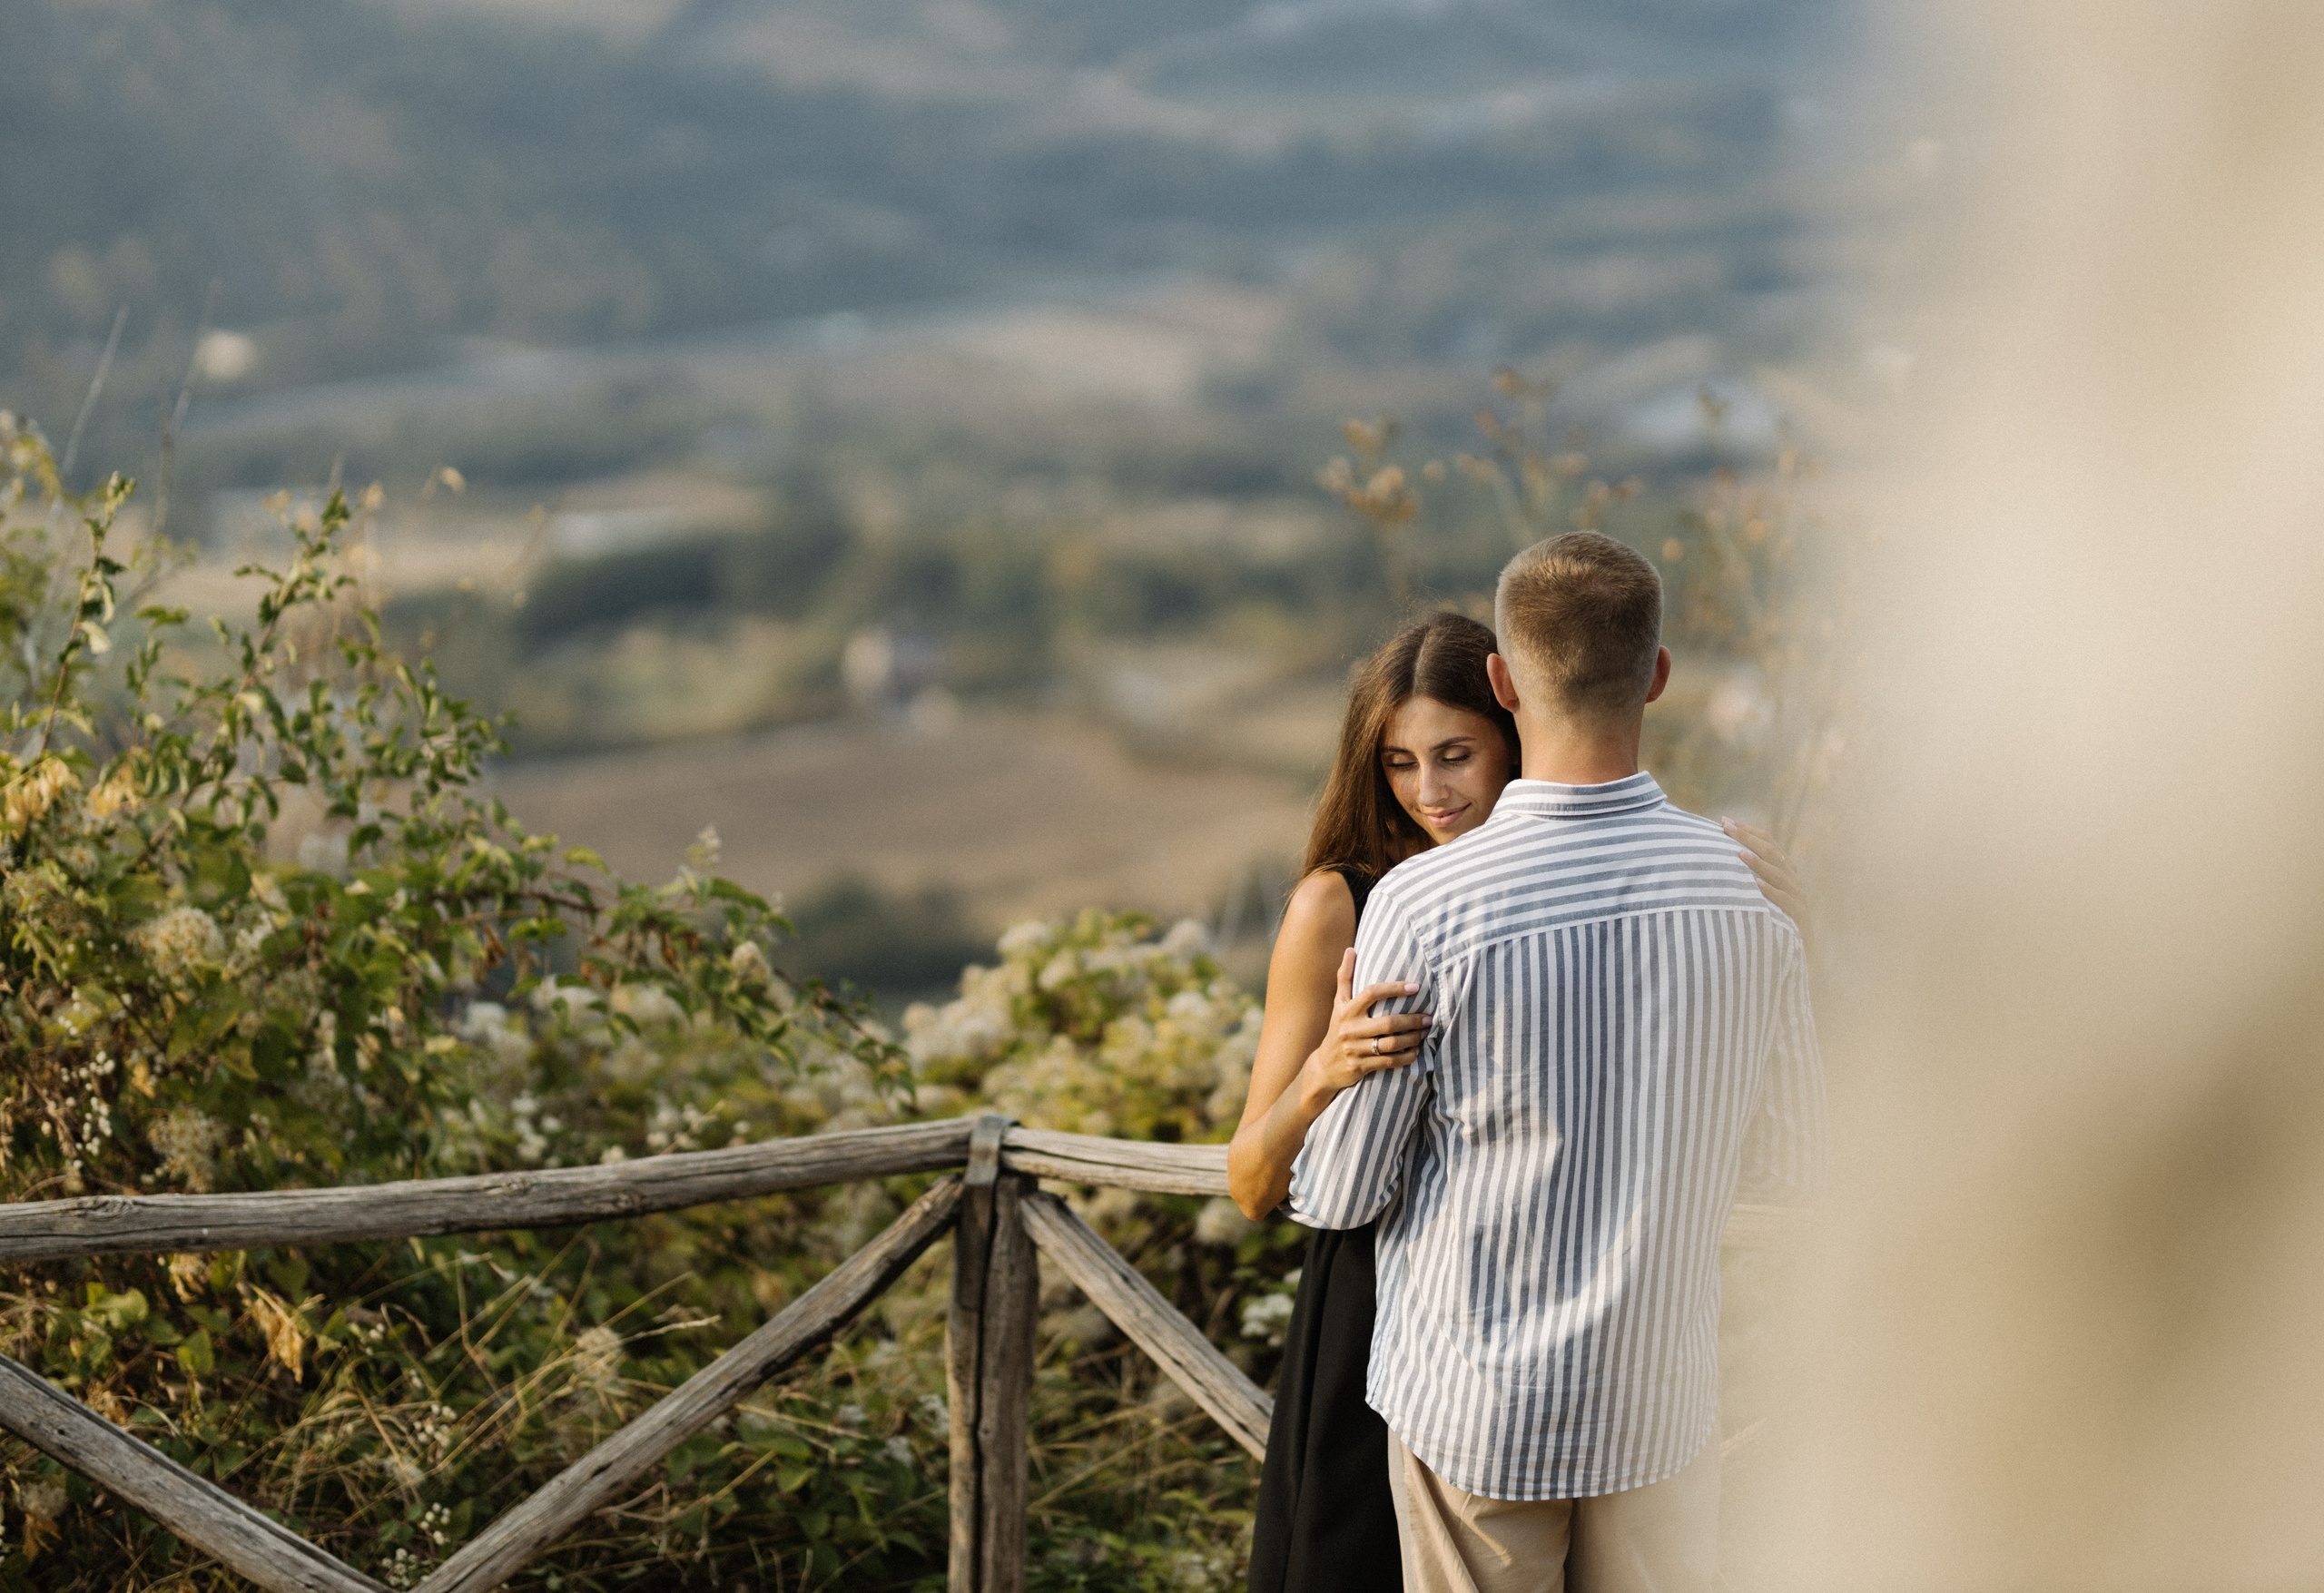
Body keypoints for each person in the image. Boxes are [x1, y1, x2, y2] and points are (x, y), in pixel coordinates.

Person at [1285, 532, 1827, 1593]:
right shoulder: (1751, 889)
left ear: (1500, 681)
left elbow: (1339, 1192)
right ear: (1658, 675)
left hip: (1474, 1413)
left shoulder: (1421, 906)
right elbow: (1792, 1160)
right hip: (1662, 1407)